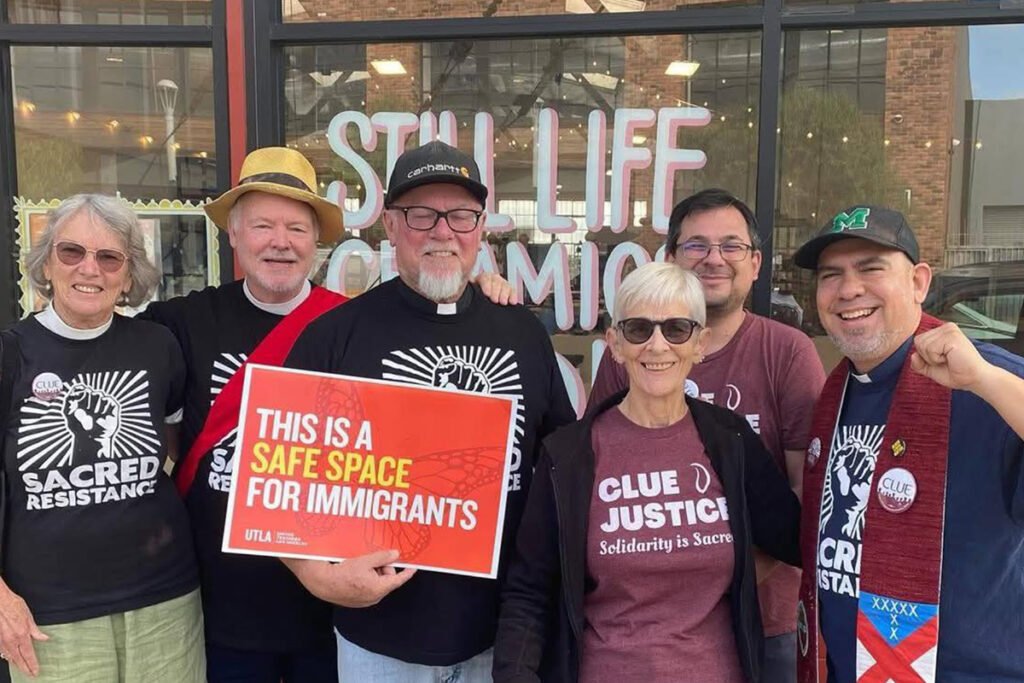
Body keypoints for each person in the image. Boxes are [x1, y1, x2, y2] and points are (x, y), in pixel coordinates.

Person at [139, 145, 520, 682]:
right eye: (263, 226)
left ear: (316, 240)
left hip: (333, 609)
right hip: (223, 596)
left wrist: (476, 291)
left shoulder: (344, 325)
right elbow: (155, 423)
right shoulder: (180, 322)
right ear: (233, 233)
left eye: (296, 228)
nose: (280, 242)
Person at [282, 139, 576, 682]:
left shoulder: (521, 332)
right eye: (422, 215)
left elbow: (565, 463)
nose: (443, 231)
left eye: (461, 215)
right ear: (391, 227)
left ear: (480, 228)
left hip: (503, 639)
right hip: (380, 640)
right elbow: (277, 480)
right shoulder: (335, 337)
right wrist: (316, 577)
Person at [493, 262, 801, 683]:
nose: (657, 346)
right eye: (639, 329)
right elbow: (529, 589)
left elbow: (797, 540)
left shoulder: (730, 440)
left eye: (677, 329)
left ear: (700, 343)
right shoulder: (569, 454)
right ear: (615, 344)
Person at [589, 188, 825, 679]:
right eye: (697, 245)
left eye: (731, 246)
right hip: (640, 635)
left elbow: (809, 499)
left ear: (756, 263)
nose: (714, 259)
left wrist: (706, 583)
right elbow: (591, 482)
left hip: (766, 622)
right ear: (672, 258)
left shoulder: (788, 353)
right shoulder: (633, 351)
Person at [792, 206, 1024, 683]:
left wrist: (984, 380)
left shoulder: (985, 381)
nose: (848, 289)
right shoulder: (836, 395)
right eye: (830, 275)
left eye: (871, 267)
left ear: (919, 282)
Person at [0, 194, 203, 682]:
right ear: (46, 262)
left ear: (129, 277)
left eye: (110, 257)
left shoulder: (158, 348)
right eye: (72, 252)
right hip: (48, 613)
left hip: (166, 602)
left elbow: (175, 447)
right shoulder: (10, 354)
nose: (90, 268)